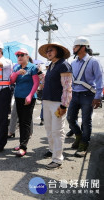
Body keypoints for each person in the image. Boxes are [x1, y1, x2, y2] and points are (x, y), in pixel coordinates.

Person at [67, 36, 103, 157]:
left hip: (88, 95)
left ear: (84, 47)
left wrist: (98, 96)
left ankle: (84, 144)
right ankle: (79, 135)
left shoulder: (94, 61)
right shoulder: (73, 63)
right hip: (75, 94)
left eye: (76, 46)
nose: (73, 48)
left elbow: (99, 79)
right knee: (70, 118)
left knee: (86, 121)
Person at [38, 42, 72, 170]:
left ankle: (57, 159)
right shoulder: (51, 65)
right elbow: (46, 82)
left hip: (58, 103)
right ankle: (52, 150)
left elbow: (67, 88)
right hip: (47, 102)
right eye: (47, 51)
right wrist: (39, 73)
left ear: (58, 51)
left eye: (51, 50)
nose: (48, 53)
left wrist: (64, 105)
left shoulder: (64, 65)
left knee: (57, 131)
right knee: (48, 128)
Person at [9, 48, 39, 157]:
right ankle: (22, 143)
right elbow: (11, 81)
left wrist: (30, 95)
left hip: (28, 98)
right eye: (18, 55)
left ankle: (23, 147)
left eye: (22, 55)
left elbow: (36, 83)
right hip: (18, 97)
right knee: (20, 121)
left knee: (25, 122)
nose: (19, 57)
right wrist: (17, 73)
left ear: (27, 56)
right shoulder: (16, 67)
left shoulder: (33, 67)